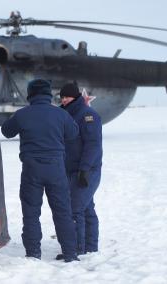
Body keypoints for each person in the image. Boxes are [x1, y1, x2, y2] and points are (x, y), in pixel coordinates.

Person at [1, 79, 80, 262]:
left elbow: (6, 131)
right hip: (56, 169)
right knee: (62, 212)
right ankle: (70, 253)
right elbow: (74, 133)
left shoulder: (22, 114)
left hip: (31, 169)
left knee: (31, 212)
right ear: (48, 94)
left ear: (30, 95)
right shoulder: (60, 114)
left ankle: (33, 253)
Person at [59, 82, 103, 257]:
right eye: (62, 97)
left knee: (74, 208)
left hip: (87, 170)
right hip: (71, 170)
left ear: (76, 97)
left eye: (67, 97)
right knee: (86, 208)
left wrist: (84, 169)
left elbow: (93, 145)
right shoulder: (64, 114)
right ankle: (90, 247)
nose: (64, 100)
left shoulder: (87, 115)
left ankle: (76, 248)